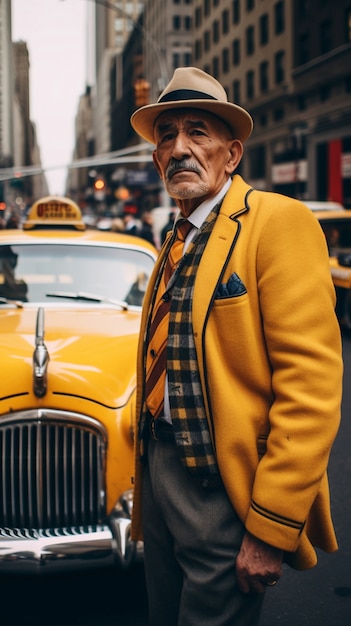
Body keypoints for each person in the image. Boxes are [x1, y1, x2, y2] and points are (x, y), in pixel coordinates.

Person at [129, 67, 343, 626]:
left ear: (233, 153)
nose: (179, 148)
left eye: (198, 131)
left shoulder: (278, 222)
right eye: (167, 136)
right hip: (159, 476)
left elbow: (311, 386)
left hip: (225, 488)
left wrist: (269, 527)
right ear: (156, 161)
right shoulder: (173, 240)